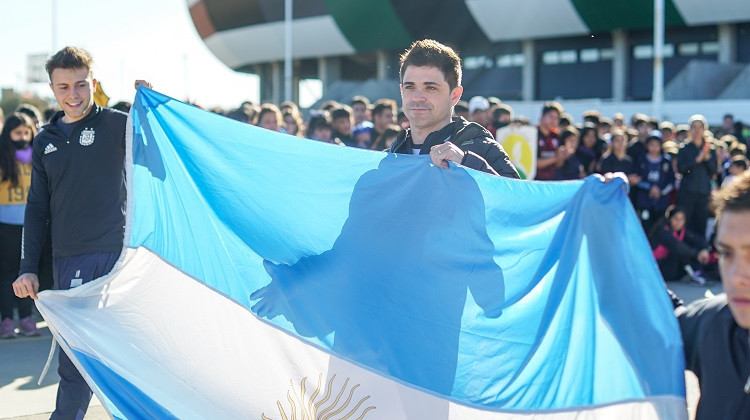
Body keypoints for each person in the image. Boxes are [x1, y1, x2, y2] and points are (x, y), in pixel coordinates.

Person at [11, 46, 150, 420]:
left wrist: (153, 111)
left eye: (80, 85)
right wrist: (27, 267)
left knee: (130, 357)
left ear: (93, 81)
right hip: (68, 261)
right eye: (63, 87)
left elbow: (162, 161)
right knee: (75, 362)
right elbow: (37, 208)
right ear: (52, 89)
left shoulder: (119, 124)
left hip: (118, 258)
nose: (73, 95)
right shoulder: (45, 140)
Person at [672, 170, 750, 418]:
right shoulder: (714, 323)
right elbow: (655, 317)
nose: (736, 275)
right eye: (727, 253)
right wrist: (612, 230)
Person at [388, 39, 518, 178]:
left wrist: (466, 164)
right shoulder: (389, 158)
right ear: (401, 91)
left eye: (430, 88)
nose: (417, 97)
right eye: (410, 87)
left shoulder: (483, 148)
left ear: (455, 95)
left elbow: (517, 198)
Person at [0, 113, 40, 338]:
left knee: (27, 272)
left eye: (26, 132)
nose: (23, 137)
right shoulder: (3, 157)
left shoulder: (36, 156)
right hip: (5, 225)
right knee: (6, 273)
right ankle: (7, 320)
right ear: (9, 135)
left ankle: (26, 318)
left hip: (30, 225)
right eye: (18, 133)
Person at [677, 114, 718, 239]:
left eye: (700, 127)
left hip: (703, 193)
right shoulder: (684, 148)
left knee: (701, 225)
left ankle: (701, 254)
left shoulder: (710, 149)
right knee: (686, 224)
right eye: (694, 127)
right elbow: (681, 169)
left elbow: (714, 170)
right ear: (690, 129)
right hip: (687, 193)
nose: (697, 130)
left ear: (705, 129)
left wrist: (707, 158)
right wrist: (697, 160)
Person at [651, 206, 709, 283]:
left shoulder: (682, 230)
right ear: (669, 219)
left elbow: (698, 239)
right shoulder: (663, 231)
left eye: (681, 219)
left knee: (694, 246)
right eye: (675, 219)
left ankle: (697, 272)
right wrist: (697, 254)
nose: (678, 222)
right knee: (680, 251)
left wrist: (704, 249)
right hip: (658, 265)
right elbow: (677, 246)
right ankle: (692, 273)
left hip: (669, 265)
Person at [633, 135, 675, 233]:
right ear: (647, 146)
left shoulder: (666, 161)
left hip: (661, 202)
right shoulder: (641, 160)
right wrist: (649, 187)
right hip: (645, 201)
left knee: (659, 229)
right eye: (651, 145)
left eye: (657, 145)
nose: (654, 148)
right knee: (644, 228)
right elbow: (636, 179)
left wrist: (661, 191)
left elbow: (671, 180)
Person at [535, 101, 564, 181]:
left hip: (552, 182)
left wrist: (562, 156)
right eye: (551, 117)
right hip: (534, 182)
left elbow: (559, 164)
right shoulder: (533, 134)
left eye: (556, 118)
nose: (554, 121)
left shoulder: (557, 136)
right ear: (542, 116)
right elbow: (533, 163)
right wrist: (555, 158)